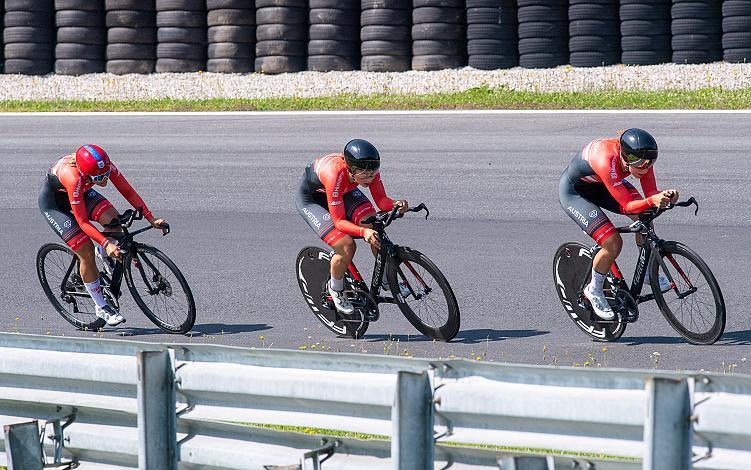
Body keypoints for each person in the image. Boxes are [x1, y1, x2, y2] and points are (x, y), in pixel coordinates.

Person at [38, 144, 167, 326]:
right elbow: (82, 222)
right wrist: (106, 243)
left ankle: (104, 254)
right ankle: (101, 306)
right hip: (56, 205)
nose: (104, 180)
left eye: (106, 175)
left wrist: (151, 218)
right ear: (85, 173)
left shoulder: (102, 166)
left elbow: (127, 190)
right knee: (86, 251)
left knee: (114, 221)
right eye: (99, 178)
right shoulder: (73, 177)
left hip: (82, 193)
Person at [559, 128, 678, 320]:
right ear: (626, 157)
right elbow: (628, 205)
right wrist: (652, 201)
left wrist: (665, 196)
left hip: (605, 185)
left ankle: (647, 272)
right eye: (640, 164)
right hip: (576, 193)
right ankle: (594, 290)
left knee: (645, 217)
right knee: (613, 242)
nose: (645, 169)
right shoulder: (606, 160)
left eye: (650, 164)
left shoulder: (641, 157)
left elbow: (651, 193)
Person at [295, 139, 408, 315]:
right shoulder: (334, 175)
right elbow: (339, 221)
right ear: (351, 170)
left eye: (373, 174)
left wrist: (396, 203)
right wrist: (363, 232)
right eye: (365, 175)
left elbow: (381, 200)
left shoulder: (367, 169)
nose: (370, 178)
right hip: (313, 200)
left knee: (373, 223)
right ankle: (336, 289)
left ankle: (385, 279)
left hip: (342, 193)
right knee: (346, 245)